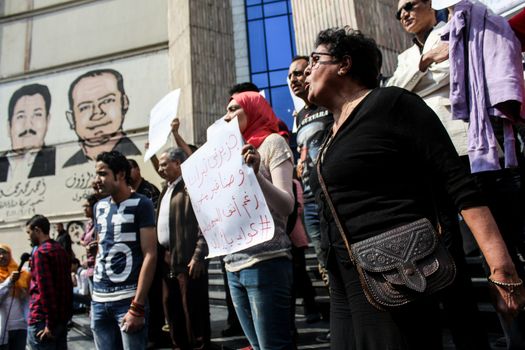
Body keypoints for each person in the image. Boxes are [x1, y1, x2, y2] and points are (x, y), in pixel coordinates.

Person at [304, 27, 525, 349]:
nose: (308, 69)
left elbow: (459, 185)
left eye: (315, 59)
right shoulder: (328, 136)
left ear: (344, 64)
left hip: (397, 273)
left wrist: (502, 268)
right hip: (344, 279)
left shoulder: (391, 103)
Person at [388, 2, 492, 348]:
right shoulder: (405, 56)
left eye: (410, 5)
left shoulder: (454, 32)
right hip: (426, 161)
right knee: (449, 252)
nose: (404, 13)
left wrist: (427, 74)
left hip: (467, 150)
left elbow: (458, 71)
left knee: (494, 240)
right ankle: (470, 338)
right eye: (398, 11)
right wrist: (425, 61)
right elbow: (394, 94)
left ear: (432, 5)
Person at [222, 91, 295, 350]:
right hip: (233, 265)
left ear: (253, 109)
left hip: (267, 262)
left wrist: (256, 175)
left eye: (233, 109)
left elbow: (287, 204)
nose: (226, 116)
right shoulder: (228, 156)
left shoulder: (273, 143)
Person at [91, 151, 157, 350]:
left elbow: (150, 254)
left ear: (120, 174)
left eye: (103, 174)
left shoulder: (142, 204)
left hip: (128, 302)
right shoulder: (98, 206)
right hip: (99, 301)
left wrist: (137, 305)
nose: (97, 180)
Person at [156, 147, 210, 349]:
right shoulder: (167, 188)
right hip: (168, 258)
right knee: (172, 307)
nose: (160, 169)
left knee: (192, 309)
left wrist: (198, 255)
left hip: (188, 259)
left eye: (164, 164)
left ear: (178, 163)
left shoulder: (192, 187)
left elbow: (206, 223)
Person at [288, 55, 333, 285]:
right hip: (309, 196)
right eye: (290, 76)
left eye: (298, 73)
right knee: (323, 256)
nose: (293, 79)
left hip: (331, 192)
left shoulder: (328, 102)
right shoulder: (300, 116)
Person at [63, 69, 141, 168]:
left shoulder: (135, 157)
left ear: (124, 102)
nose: (97, 112)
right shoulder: (69, 166)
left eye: (107, 101)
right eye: (85, 107)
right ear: (71, 119)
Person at [25, 214, 72, 350]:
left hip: (43, 321)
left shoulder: (41, 253)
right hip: (61, 320)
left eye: (29, 232)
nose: (28, 237)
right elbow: (66, 287)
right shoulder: (60, 249)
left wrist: (49, 325)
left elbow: (46, 291)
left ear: (37, 230)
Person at [0, 84, 56, 182]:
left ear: (47, 121)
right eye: (21, 116)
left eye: (37, 115)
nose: (28, 125)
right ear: (9, 126)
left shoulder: (56, 161)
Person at [0, 244, 31, 350]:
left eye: (4, 252)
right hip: (3, 329)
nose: (1, 256)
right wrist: (9, 281)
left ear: (10, 255)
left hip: (21, 326)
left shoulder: (23, 274)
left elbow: (28, 298)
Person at [79, 193, 99, 294]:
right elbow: (82, 239)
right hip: (90, 267)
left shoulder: (99, 222)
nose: (85, 209)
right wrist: (87, 245)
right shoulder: (89, 224)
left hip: (98, 267)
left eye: (87, 206)